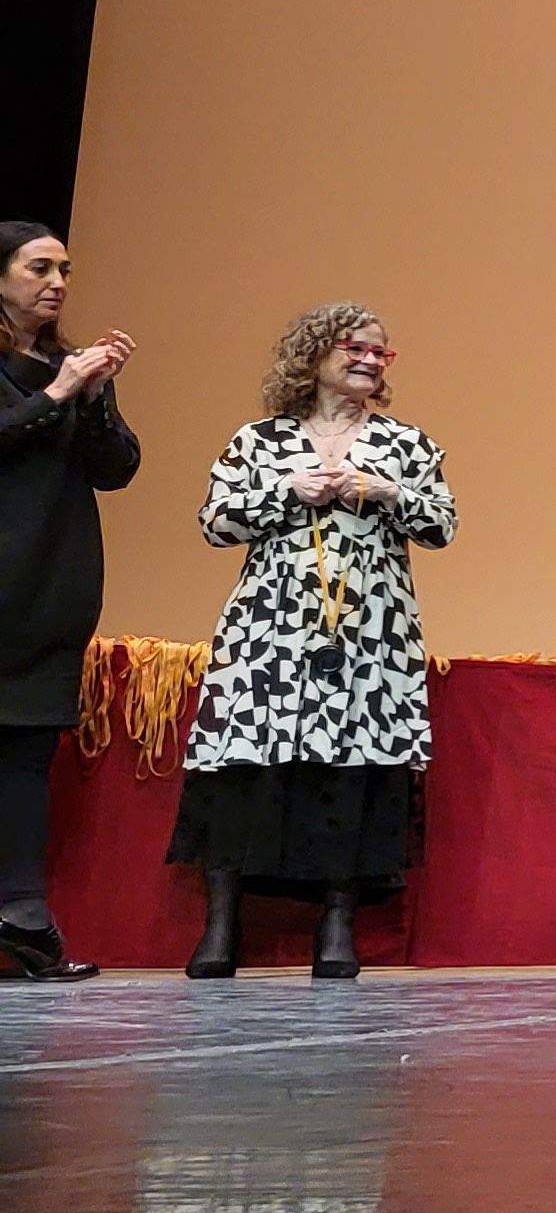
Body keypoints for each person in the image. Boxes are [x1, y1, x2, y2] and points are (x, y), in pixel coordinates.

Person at [178, 303, 456, 980]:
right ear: (314, 355)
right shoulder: (259, 441)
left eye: (380, 352)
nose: (369, 359)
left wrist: (385, 490)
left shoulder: (405, 443)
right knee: (243, 767)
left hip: (369, 634)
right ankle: (222, 924)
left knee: (353, 771)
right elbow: (215, 523)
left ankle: (337, 923)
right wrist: (286, 489)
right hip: (269, 632)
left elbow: (441, 526)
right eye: (355, 347)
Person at [0, 222, 140, 983]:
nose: (56, 283)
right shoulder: (36, 375)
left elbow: (116, 469)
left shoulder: (71, 368)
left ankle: (23, 918)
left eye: (65, 270)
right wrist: (55, 394)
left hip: (49, 587)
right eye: (39, 268)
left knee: (25, 759)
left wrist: (91, 399)